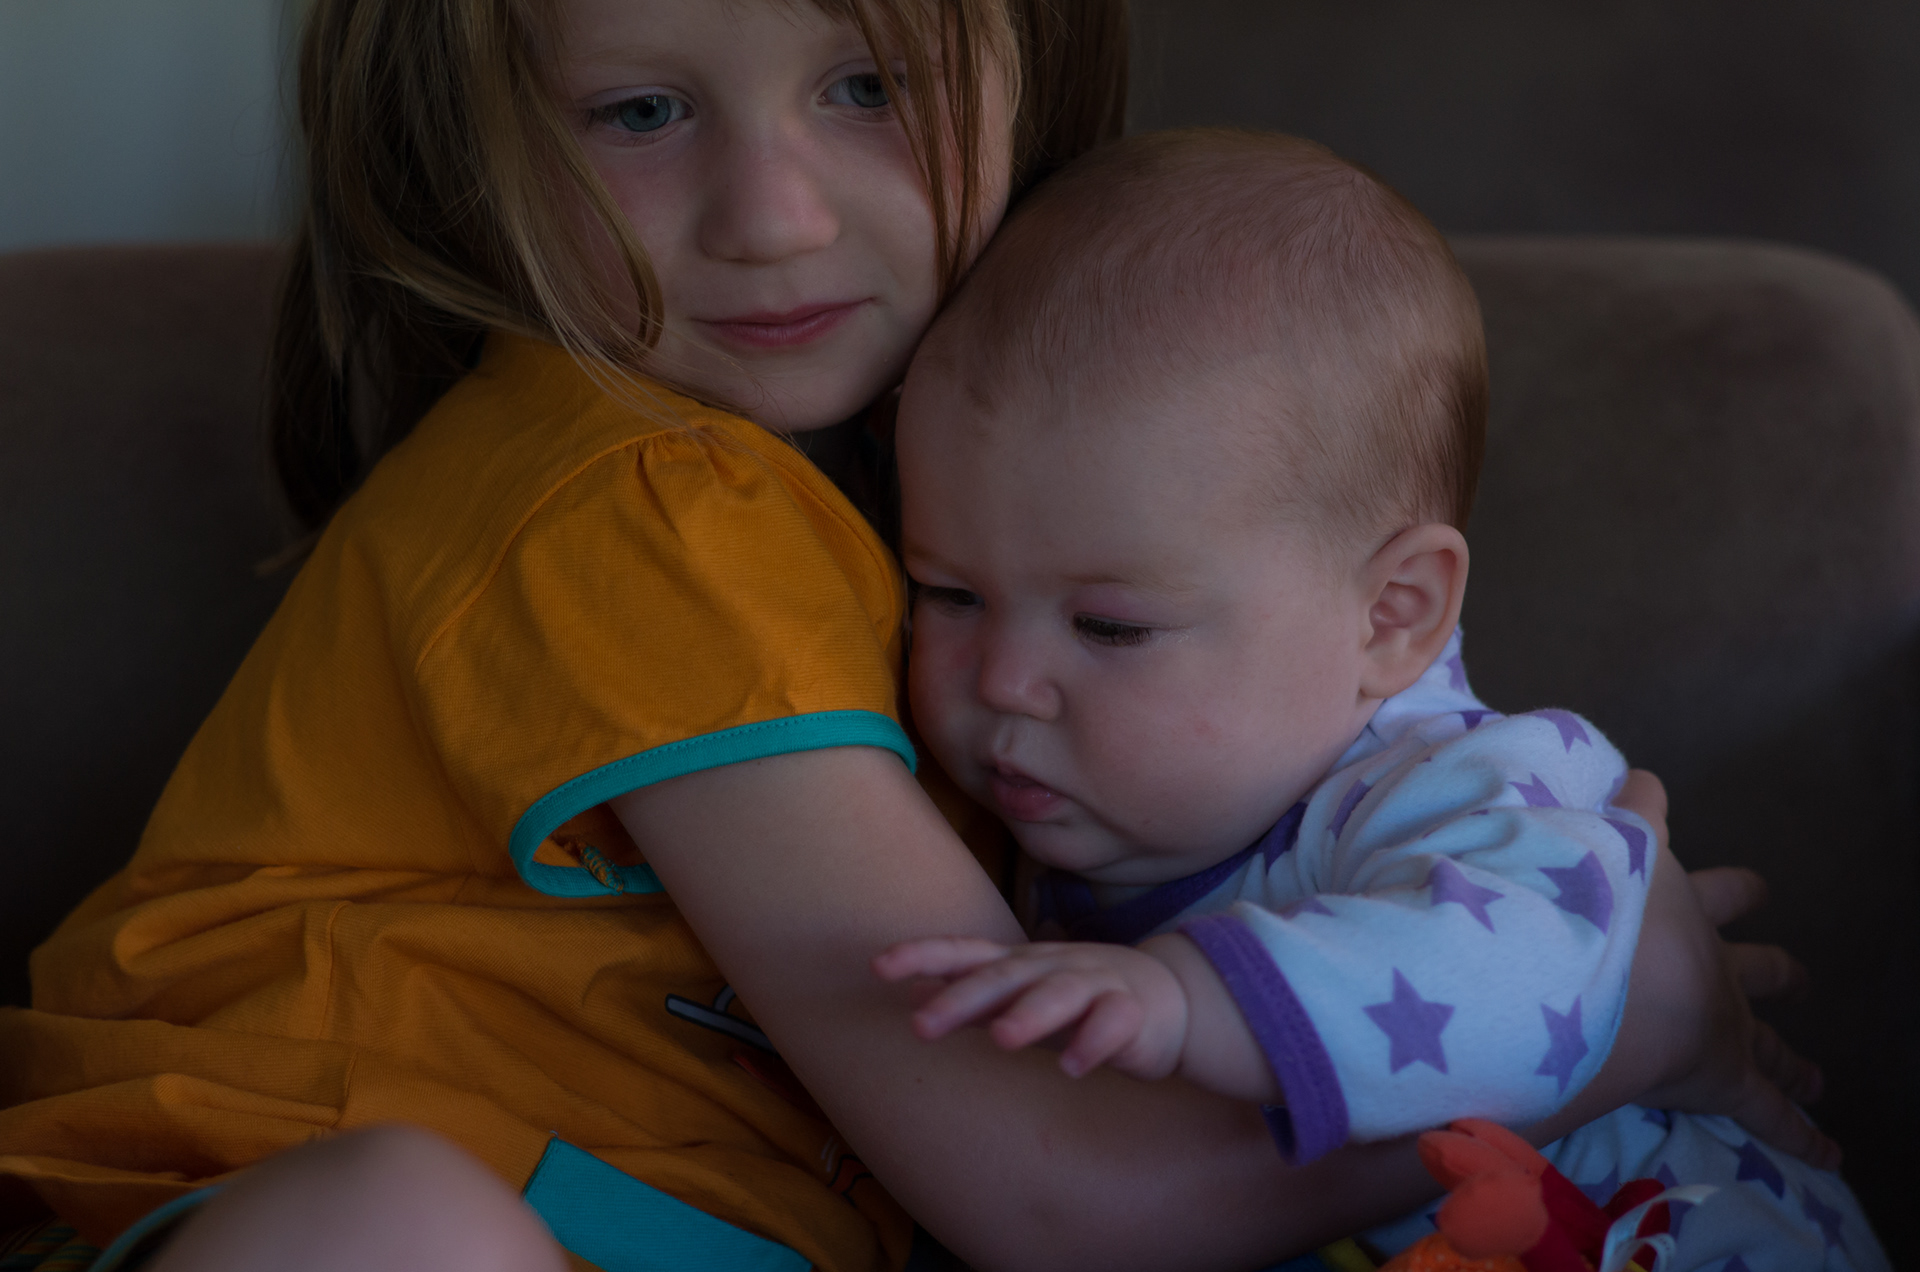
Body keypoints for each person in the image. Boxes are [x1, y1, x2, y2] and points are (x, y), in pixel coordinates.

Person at [0, 1, 1828, 1269]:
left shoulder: (973, 490)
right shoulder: (644, 498)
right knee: (399, 1230)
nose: (773, 218)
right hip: (302, 1196)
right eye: (641, 112)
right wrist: (1614, 1030)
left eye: (867, 83)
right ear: (474, 144)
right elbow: (1062, 1195)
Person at [877, 129, 1884, 1269]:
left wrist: (1185, 999)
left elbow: (1530, 983)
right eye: (948, 593)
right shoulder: (1051, 818)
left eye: (1111, 626)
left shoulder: (1470, 787)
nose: (1002, 681)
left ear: (1391, 616)